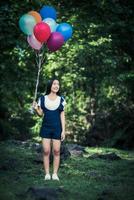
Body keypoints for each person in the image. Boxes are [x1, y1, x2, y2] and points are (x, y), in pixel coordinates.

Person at [32, 78, 66, 181]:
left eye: (58, 84)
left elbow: (62, 116)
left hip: (57, 129)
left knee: (56, 151)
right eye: (54, 84)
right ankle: (47, 174)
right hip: (46, 128)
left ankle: (55, 174)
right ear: (50, 85)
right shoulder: (42, 99)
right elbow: (40, 114)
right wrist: (36, 109)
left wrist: (63, 130)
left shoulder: (62, 99)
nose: (56, 86)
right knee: (46, 151)